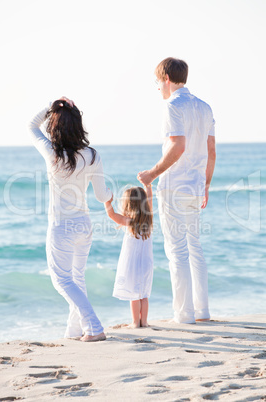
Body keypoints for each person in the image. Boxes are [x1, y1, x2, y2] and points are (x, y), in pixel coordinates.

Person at [138, 57, 216, 324]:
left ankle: (184, 315)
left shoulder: (173, 105)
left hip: (174, 186)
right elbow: (211, 152)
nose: (158, 87)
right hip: (195, 186)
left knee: (177, 250)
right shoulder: (204, 107)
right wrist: (205, 185)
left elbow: (178, 146)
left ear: (166, 80)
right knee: (194, 246)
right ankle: (202, 311)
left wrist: (151, 173)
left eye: (158, 82)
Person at [28, 96, 112, 341]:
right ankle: (75, 330)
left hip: (61, 226)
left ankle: (94, 327)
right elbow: (100, 195)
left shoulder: (52, 153)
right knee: (76, 278)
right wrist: (111, 196)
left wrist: (52, 107)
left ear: (54, 127)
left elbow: (31, 126)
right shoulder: (92, 155)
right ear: (78, 124)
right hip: (83, 225)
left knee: (61, 280)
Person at [105, 185, 153, 328]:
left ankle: (135, 322)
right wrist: (148, 186)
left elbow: (112, 215)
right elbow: (149, 200)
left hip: (133, 263)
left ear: (128, 205)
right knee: (144, 294)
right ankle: (144, 322)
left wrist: (107, 201)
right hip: (147, 263)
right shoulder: (149, 220)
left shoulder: (130, 222)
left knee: (134, 294)